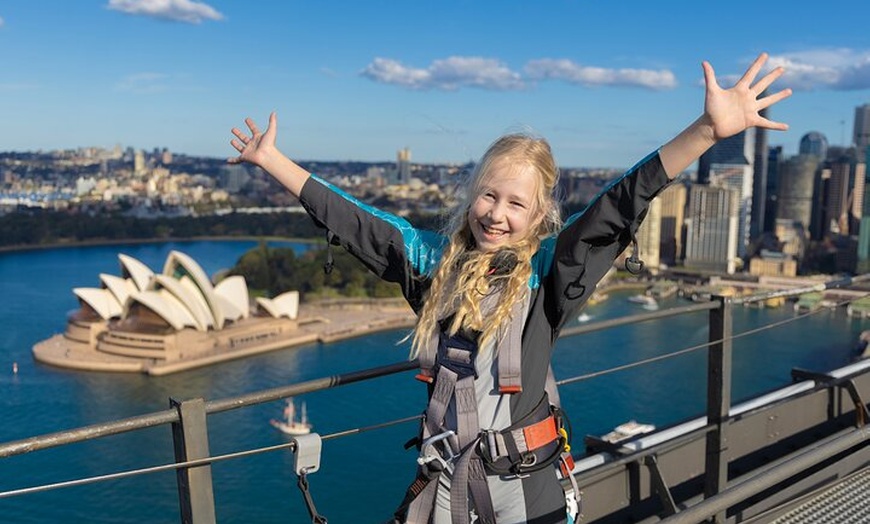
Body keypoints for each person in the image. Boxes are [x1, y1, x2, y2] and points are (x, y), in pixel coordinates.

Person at [229, 53, 791, 524]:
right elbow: (358, 223)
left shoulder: (550, 274)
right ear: (472, 194)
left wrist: (707, 131)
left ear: (540, 212)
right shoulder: (433, 264)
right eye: (489, 196)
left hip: (526, 491)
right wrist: (271, 159)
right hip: (443, 487)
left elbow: (615, 208)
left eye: (516, 203)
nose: (496, 215)